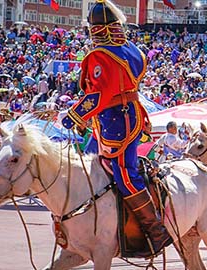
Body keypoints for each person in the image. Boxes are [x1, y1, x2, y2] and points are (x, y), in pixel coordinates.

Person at [60, 0, 171, 257]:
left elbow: (99, 94)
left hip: (115, 121)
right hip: (123, 115)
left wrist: (75, 115)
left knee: (124, 174)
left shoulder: (101, 55)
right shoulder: (130, 48)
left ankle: (154, 228)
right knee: (93, 166)